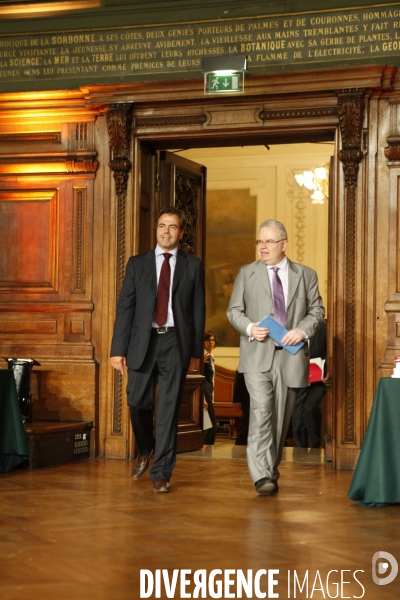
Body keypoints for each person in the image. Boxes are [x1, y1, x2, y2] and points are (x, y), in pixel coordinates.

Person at [110, 206, 205, 493]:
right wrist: (118, 349)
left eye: (172, 227)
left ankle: (162, 472)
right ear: (156, 230)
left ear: (181, 233)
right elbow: (125, 307)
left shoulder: (193, 265)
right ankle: (145, 446)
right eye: (162, 226)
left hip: (175, 342)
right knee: (136, 401)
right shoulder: (137, 264)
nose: (166, 231)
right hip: (142, 342)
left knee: (168, 410)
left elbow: (198, 310)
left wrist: (195, 352)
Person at [227, 219, 324, 496]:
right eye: (259, 241)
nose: (263, 247)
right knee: (260, 411)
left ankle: (270, 469)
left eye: (269, 241)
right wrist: (249, 327)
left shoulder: (306, 274)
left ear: (284, 244)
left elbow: (316, 310)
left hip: (291, 357)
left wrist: (301, 331)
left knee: (281, 419)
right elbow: (234, 311)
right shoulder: (247, 273)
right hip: (257, 356)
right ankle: (260, 475)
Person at [292, 320, 328, 448]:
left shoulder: (322, 327)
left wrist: (328, 370)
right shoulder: (292, 324)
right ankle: (299, 448)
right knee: (297, 414)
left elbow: (331, 352)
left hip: (318, 379)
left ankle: (316, 443)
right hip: (298, 378)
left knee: (309, 409)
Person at [203, 330, 218, 445]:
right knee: (210, 425)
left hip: (209, 394)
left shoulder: (210, 356)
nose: (211, 342)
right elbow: (200, 379)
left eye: (213, 340)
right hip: (204, 395)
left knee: (209, 425)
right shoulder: (203, 358)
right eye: (208, 340)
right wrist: (203, 397)